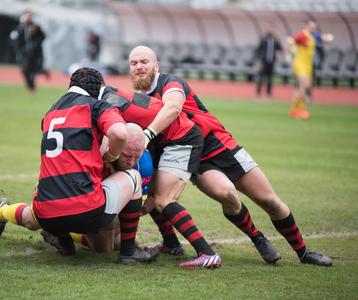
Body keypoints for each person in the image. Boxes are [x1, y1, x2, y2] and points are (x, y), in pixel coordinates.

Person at [128, 45, 332, 267]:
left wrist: (146, 134)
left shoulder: (170, 83)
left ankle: (303, 252)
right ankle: (258, 238)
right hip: (195, 157)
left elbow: (173, 108)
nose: (139, 66)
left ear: (156, 66)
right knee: (227, 196)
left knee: (269, 200)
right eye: (133, 63)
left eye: (144, 62)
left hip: (221, 145)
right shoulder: (138, 101)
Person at [0, 68, 159, 263]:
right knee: (132, 179)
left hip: (47, 206)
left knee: (38, 217)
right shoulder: (96, 106)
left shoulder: (51, 112)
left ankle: (58, 237)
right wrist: (113, 153)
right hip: (85, 208)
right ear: (96, 91)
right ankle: (129, 253)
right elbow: (119, 133)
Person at [98, 74, 222, 269]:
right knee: (152, 195)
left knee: (163, 200)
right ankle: (172, 243)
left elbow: (115, 134)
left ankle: (207, 253)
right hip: (160, 141)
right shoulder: (112, 95)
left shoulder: (108, 101)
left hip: (181, 138)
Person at [52, 123, 154, 253]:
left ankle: (70, 232)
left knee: (127, 243)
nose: (132, 162)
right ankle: (56, 230)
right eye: (127, 156)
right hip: (69, 199)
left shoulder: (144, 163)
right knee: (31, 220)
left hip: (104, 207)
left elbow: (139, 208)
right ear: (116, 147)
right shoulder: (97, 153)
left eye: (137, 156)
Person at [9, 10, 49, 94]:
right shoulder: (20, 28)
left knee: (34, 68)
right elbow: (13, 38)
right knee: (26, 69)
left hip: (35, 53)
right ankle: (31, 87)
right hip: (25, 53)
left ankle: (41, 72)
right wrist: (18, 48)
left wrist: (35, 45)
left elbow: (42, 36)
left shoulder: (35, 26)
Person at [253, 22, 282, 98]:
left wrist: (278, 52)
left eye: (272, 28)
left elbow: (279, 48)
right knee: (260, 76)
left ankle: (268, 93)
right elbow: (258, 49)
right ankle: (258, 92)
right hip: (263, 61)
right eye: (269, 28)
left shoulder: (275, 38)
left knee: (270, 77)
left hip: (271, 61)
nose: (270, 29)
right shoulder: (263, 38)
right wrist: (257, 60)